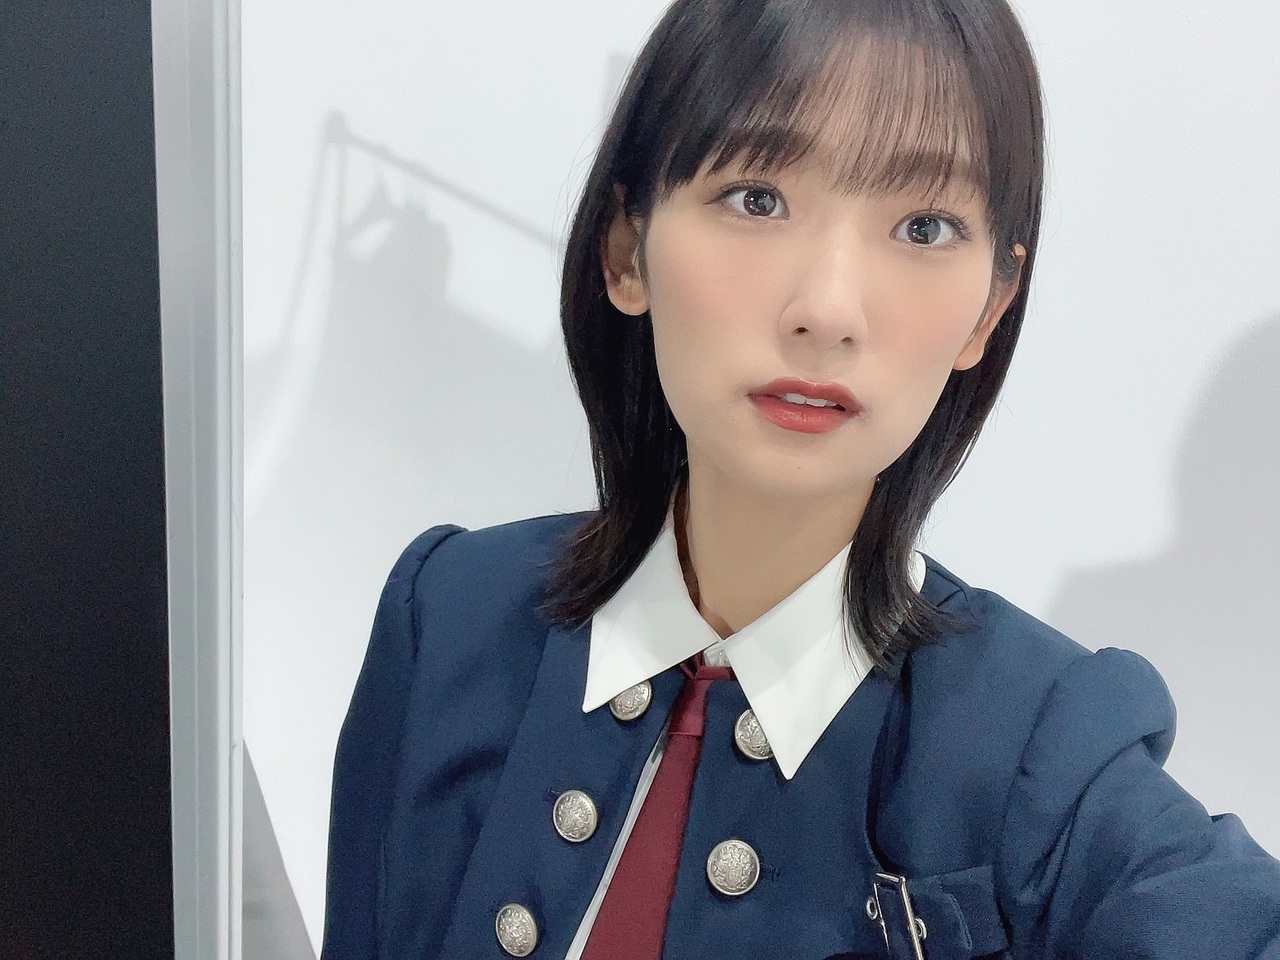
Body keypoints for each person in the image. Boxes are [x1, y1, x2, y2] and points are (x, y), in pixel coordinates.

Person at [319, 0, 1280, 957]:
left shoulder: (1042, 753)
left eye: (924, 225)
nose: (828, 310)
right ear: (625, 248)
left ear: (991, 309)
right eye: (757, 198)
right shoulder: (448, 613)